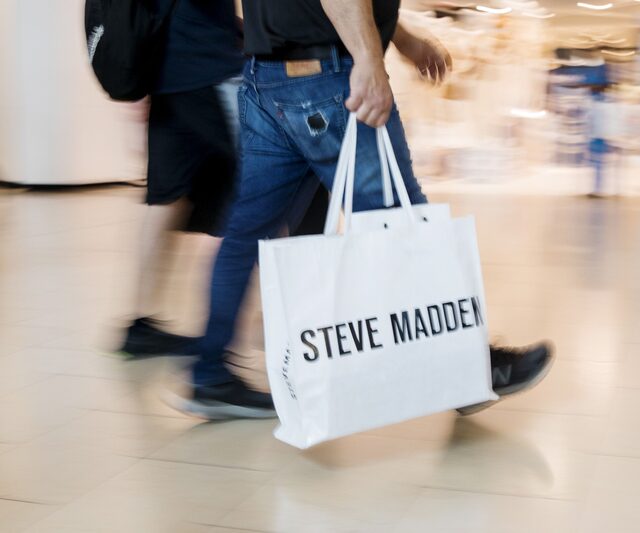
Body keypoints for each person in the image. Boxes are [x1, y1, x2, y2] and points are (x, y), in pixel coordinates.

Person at [166, 0, 555, 419]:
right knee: (403, 225)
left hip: (267, 79)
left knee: (245, 233)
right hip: (328, 81)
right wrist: (370, 60)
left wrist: (402, 40)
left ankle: (208, 375)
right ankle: (466, 370)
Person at [118, 0, 244, 357]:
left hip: (167, 68)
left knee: (167, 197)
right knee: (264, 181)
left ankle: (140, 325)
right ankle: (221, 353)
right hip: (206, 64)